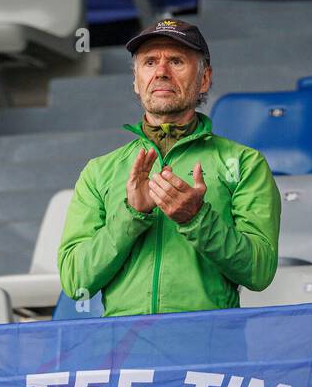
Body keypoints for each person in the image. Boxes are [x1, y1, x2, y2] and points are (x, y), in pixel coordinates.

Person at [58, 19, 280, 315]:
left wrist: (197, 218)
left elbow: (259, 271)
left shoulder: (245, 163)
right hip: (129, 350)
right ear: (136, 81)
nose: (161, 72)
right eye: (150, 62)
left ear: (204, 79)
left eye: (176, 61)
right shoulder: (98, 171)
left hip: (210, 348)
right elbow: (75, 280)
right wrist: (131, 215)